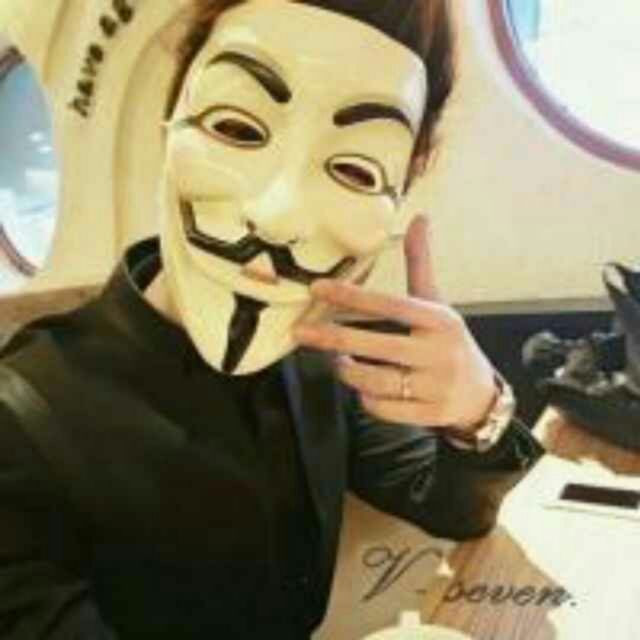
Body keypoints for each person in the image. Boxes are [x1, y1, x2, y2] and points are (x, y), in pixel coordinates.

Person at [0, 0, 545, 637]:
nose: (278, 215)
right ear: (169, 126)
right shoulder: (22, 421)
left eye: (354, 169)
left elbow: (451, 507)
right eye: (237, 128)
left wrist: (477, 411)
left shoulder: (316, 355)